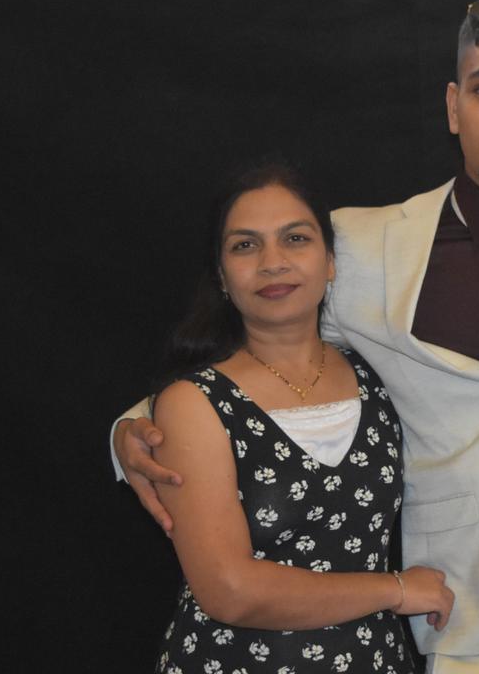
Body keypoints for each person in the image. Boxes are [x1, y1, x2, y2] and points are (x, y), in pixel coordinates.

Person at [116, 0, 479, 672]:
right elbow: (255, 338)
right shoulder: (362, 247)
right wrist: (135, 427)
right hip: (465, 610)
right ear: (453, 107)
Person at [146, 160, 454, 673]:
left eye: (295, 239)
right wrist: (396, 589)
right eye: (245, 245)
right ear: (222, 278)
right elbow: (230, 591)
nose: (272, 262)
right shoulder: (193, 403)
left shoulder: (381, 376)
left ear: (331, 261)